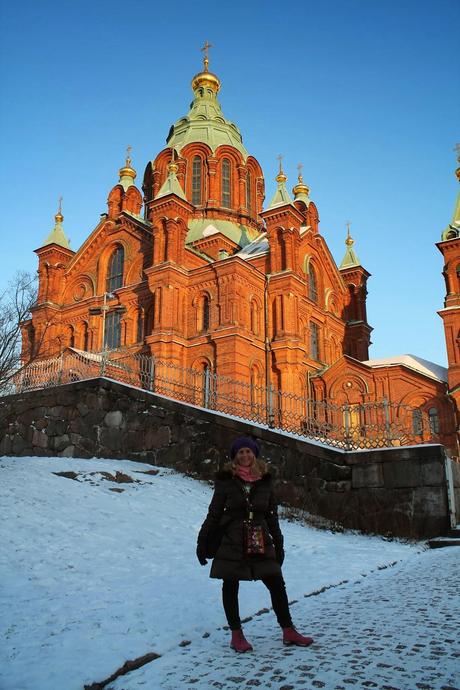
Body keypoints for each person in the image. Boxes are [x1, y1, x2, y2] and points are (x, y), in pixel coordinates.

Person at [196, 436, 314, 653]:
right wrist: (202, 541)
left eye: (248, 452)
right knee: (230, 585)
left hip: (259, 538)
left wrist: (278, 544)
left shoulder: (265, 481)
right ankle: (236, 635)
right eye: (240, 452)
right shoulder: (226, 481)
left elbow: (272, 516)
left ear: (255, 455)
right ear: (234, 457)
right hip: (232, 539)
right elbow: (214, 513)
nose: (245, 456)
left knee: (276, 582)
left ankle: (288, 630)